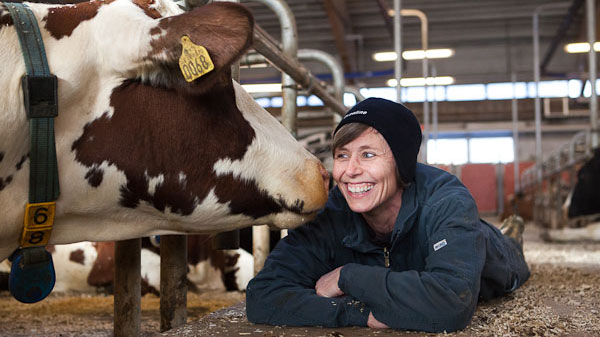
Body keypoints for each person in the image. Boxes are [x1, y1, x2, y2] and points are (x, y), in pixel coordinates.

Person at [245, 97, 530, 332]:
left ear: (402, 164)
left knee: (506, 250)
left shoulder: (447, 200)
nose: (351, 170)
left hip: (489, 251)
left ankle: (512, 230)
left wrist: (348, 276)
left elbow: (452, 305)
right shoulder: (330, 214)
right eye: (342, 155)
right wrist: (357, 314)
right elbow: (262, 296)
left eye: (368, 155)